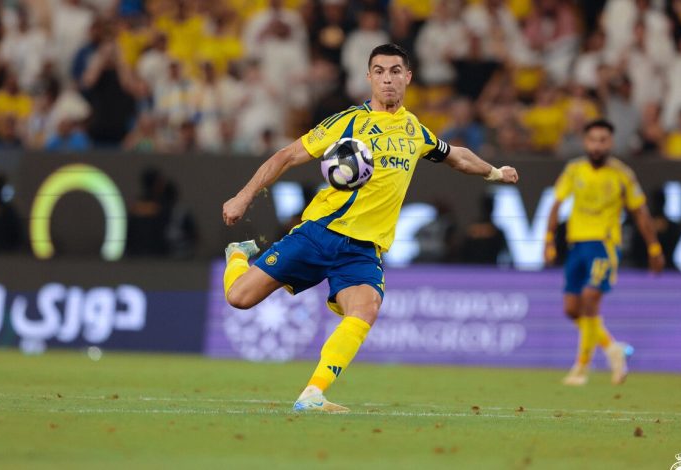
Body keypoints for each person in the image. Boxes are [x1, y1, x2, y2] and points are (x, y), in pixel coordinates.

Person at [221, 44, 518, 413]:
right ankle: (238, 255)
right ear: (369, 77)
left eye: (395, 71)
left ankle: (312, 394)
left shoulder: (415, 130)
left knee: (366, 308)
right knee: (239, 298)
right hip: (320, 233)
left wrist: (493, 172)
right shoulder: (348, 122)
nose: (387, 79)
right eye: (379, 71)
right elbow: (287, 156)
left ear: (408, 77)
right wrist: (243, 196)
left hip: (363, 250)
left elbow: (456, 156)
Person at [544, 119, 664, 386]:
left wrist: (654, 247)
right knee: (571, 309)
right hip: (577, 245)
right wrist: (548, 240)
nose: (597, 146)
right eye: (592, 140)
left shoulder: (622, 174)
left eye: (602, 140)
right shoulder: (574, 170)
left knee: (590, 299)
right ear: (585, 142)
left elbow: (640, 212)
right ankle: (613, 349)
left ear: (610, 143)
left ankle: (581, 368)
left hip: (604, 245)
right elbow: (556, 204)